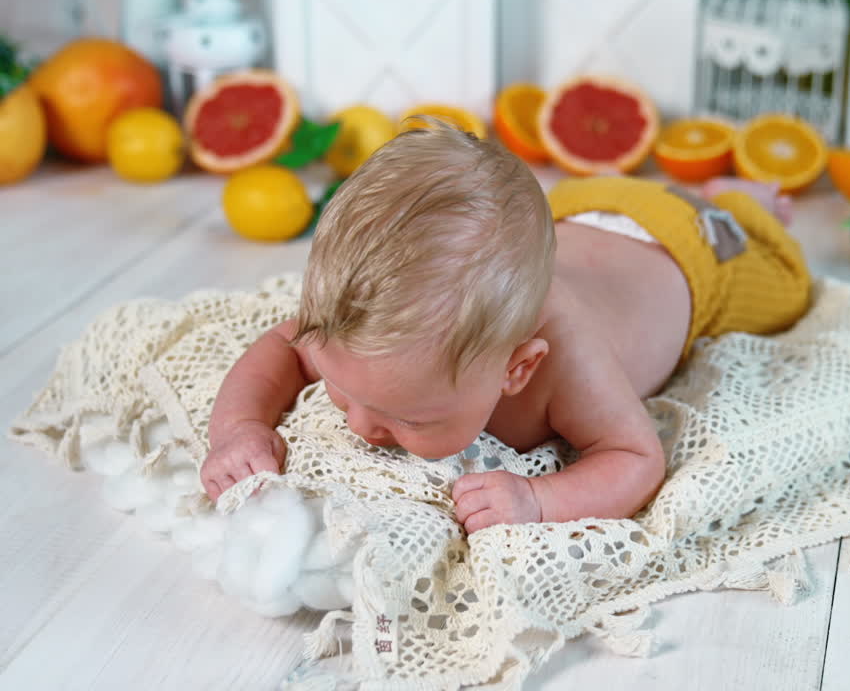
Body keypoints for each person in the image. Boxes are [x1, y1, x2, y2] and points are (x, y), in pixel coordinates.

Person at [200, 122, 810, 533]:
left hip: (687, 251)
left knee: (787, 286)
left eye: (411, 417)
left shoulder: (571, 361)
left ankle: (739, 198)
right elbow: (284, 344)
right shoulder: (372, 330)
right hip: (574, 209)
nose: (362, 427)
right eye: (341, 386)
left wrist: (537, 500)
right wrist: (238, 428)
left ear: (518, 368)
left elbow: (635, 458)